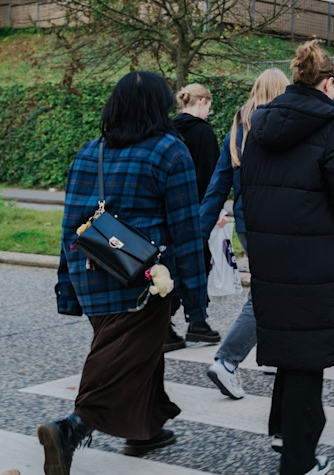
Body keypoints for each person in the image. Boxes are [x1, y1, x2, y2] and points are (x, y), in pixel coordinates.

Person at [39, 71, 209, 470]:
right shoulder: (170, 150)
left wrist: (67, 287)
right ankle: (71, 429)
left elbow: (70, 228)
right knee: (119, 360)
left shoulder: (89, 152)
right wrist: (197, 305)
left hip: (92, 271)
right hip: (144, 279)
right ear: (160, 106)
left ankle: (144, 430)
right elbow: (186, 229)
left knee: (132, 352)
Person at [241, 40, 334, 474]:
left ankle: (283, 430)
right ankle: (298, 461)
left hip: (269, 249)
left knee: (288, 341)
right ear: (328, 82)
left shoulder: (259, 125)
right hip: (313, 252)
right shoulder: (331, 126)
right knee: (310, 353)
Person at [199, 68, 289, 400]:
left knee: (276, 289)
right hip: (276, 224)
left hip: (246, 225)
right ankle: (227, 360)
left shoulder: (237, 130)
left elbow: (217, 186)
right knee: (265, 295)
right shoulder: (281, 130)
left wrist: (198, 233)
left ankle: (272, 354)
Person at [167, 83, 221, 350]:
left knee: (172, 267)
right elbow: (213, 178)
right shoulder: (204, 133)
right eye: (209, 106)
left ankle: (168, 323)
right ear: (201, 102)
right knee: (198, 265)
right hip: (197, 210)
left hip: (170, 210)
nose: (209, 112)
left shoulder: (168, 130)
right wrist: (217, 211)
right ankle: (197, 322)